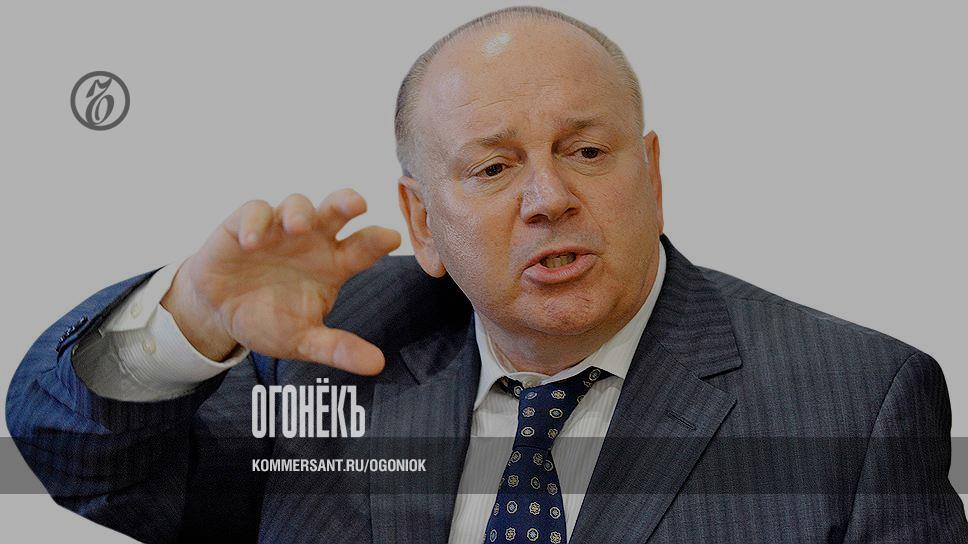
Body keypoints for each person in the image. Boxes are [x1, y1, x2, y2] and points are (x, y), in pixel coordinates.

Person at [6, 6, 966, 543]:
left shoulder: (855, 403)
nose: (548, 199)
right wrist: (191, 321)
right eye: (495, 168)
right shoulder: (330, 355)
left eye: (587, 152)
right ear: (422, 221)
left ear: (653, 175)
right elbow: (83, 464)